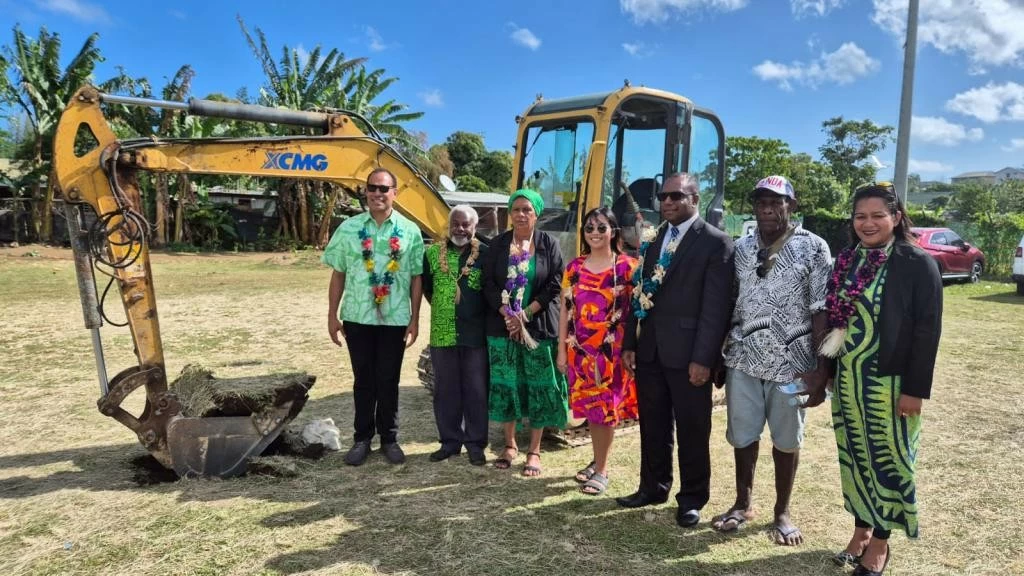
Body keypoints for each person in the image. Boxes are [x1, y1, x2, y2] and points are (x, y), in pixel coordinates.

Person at [825, 182, 942, 576]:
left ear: (897, 217)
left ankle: (880, 542)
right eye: (860, 216)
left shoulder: (915, 262)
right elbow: (834, 318)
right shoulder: (848, 260)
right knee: (856, 458)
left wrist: (914, 390)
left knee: (889, 462)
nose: (868, 223)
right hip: (848, 382)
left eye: (878, 215)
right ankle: (859, 531)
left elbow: (927, 330)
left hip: (888, 385)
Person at [711, 175, 832, 545]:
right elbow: (729, 301)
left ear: (791, 206)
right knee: (742, 435)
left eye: (775, 202)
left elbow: (822, 312)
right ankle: (742, 503)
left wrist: (820, 370)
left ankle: (782, 512)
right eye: (760, 202)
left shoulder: (814, 248)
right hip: (743, 359)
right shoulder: (742, 248)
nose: (766, 208)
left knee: (787, 439)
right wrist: (718, 354)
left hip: (794, 366)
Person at [617, 172, 735, 528]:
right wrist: (630, 343)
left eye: (676, 196)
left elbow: (716, 310)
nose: (667, 202)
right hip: (651, 351)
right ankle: (652, 486)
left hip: (689, 357)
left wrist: (704, 359)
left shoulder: (716, 243)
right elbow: (638, 295)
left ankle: (692, 498)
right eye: (663, 197)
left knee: (692, 428)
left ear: (694, 199)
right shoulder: (652, 241)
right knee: (652, 425)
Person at [323, 167, 424, 466]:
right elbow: (337, 273)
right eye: (372, 188)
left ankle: (389, 439)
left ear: (395, 193)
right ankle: (362, 439)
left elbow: (417, 277)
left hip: (395, 319)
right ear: (366, 192)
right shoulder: (349, 229)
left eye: (384, 188)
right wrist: (332, 315)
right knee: (363, 380)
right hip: (356, 316)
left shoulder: (410, 231)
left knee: (388, 380)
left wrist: (415, 318)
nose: (378, 193)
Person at [481, 189, 568, 477]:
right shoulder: (497, 245)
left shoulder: (548, 245)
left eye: (526, 210)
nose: (520, 214)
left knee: (539, 387)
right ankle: (509, 445)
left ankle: (534, 450)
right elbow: (488, 283)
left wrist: (526, 314)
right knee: (507, 384)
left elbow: (555, 283)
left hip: (538, 327)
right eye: (515, 209)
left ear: (537, 214)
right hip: (502, 327)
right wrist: (507, 314)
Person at [557, 206, 639, 496]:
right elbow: (566, 312)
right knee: (591, 410)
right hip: (580, 350)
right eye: (589, 228)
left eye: (601, 227)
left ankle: (602, 470)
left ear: (613, 231)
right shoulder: (573, 268)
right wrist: (561, 350)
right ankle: (597, 459)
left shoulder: (628, 268)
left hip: (612, 353)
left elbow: (637, 311)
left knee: (605, 410)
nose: (594, 232)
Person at [422, 205, 490, 466]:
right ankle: (450, 442)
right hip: (442, 332)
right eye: (456, 224)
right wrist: (445, 309)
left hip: (475, 335)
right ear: (449, 226)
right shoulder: (431, 254)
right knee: (445, 390)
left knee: (476, 390)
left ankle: (475, 443)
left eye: (466, 225)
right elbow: (427, 290)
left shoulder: (485, 254)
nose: (460, 229)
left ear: (475, 228)